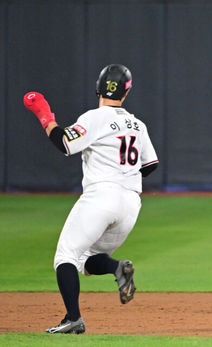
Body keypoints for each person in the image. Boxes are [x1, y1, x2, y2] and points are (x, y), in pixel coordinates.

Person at [23, 64, 159, 333]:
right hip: (131, 203)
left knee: (65, 256)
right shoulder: (137, 124)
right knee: (87, 259)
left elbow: (64, 143)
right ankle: (118, 268)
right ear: (126, 92)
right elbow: (150, 165)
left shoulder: (94, 118)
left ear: (99, 87)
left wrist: (45, 116)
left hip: (101, 196)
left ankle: (73, 319)